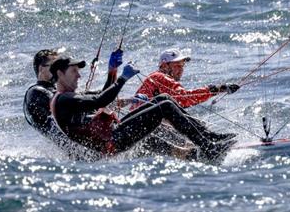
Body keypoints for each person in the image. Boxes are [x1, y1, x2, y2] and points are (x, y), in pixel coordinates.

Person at [50, 55, 233, 161]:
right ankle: (208, 147)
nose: (79, 76)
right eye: (74, 72)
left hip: (115, 132)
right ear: (59, 74)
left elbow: (104, 93)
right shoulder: (64, 100)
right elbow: (99, 100)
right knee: (166, 106)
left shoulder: (70, 97)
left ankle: (209, 137)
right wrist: (123, 78)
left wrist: (113, 70)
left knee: (163, 98)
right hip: (112, 142)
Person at [132, 49, 239, 109]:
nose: (181, 70)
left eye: (182, 66)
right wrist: (216, 89)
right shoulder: (160, 77)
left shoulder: (154, 78)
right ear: (164, 66)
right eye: (177, 66)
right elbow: (185, 98)